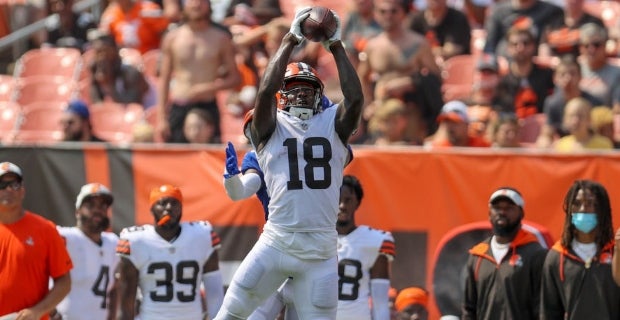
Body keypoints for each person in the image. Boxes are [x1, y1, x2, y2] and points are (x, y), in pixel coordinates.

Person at [214, 5, 363, 319]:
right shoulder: (270, 127)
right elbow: (266, 90)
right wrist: (289, 40)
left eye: (308, 91)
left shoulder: (332, 125)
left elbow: (356, 99)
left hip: (321, 248)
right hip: (278, 240)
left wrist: (336, 46)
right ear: (281, 96)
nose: (302, 96)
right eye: (294, 90)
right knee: (230, 315)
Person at [116, 184, 224, 320]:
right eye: (162, 203)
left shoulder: (201, 235)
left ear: (181, 207)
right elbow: (126, 301)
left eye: (174, 203)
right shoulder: (136, 240)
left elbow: (215, 292)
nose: (169, 208)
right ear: (152, 208)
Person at [156, 0, 241, 143]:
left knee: (209, 159)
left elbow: (235, 78)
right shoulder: (172, 38)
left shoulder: (220, 38)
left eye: (201, 1)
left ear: (208, 5)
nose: (196, 5)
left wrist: (207, 88)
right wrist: (161, 118)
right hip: (179, 105)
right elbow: (164, 80)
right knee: (177, 158)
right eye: (191, 1)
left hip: (207, 106)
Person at [0, 161, 73, 319]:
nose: (8, 190)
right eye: (2, 185)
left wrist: (38, 311)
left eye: (14, 184)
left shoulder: (45, 229)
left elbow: (64, 281)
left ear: (23, 191)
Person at [462, 187, 547, 319]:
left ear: (521, 213)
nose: (502, 212)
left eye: (509, 208)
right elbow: (469, 309)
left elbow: (543, 309)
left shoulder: (536, 255)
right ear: (489, 213)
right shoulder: (478, 255)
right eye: (497, 208)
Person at [541, 180, 620, 319]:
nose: (583, 209)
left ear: (602, 210)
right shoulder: (556, 256)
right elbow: (549, 311)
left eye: (590, 204)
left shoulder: (615, 252)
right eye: (577, 204)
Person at [54, 183, 119, 320]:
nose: (97, 210)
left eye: (103, 206)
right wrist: (51, 312)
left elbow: (115, 289)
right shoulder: (64, 237)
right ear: (78, 211)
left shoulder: (113, 243)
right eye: (91, 205)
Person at [335, 175, 395, 320]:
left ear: (357, 203)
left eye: (348, 200)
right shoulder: (315, 238)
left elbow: (379, 300)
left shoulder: (375, 241)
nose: (342, 205)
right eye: (338, 199)